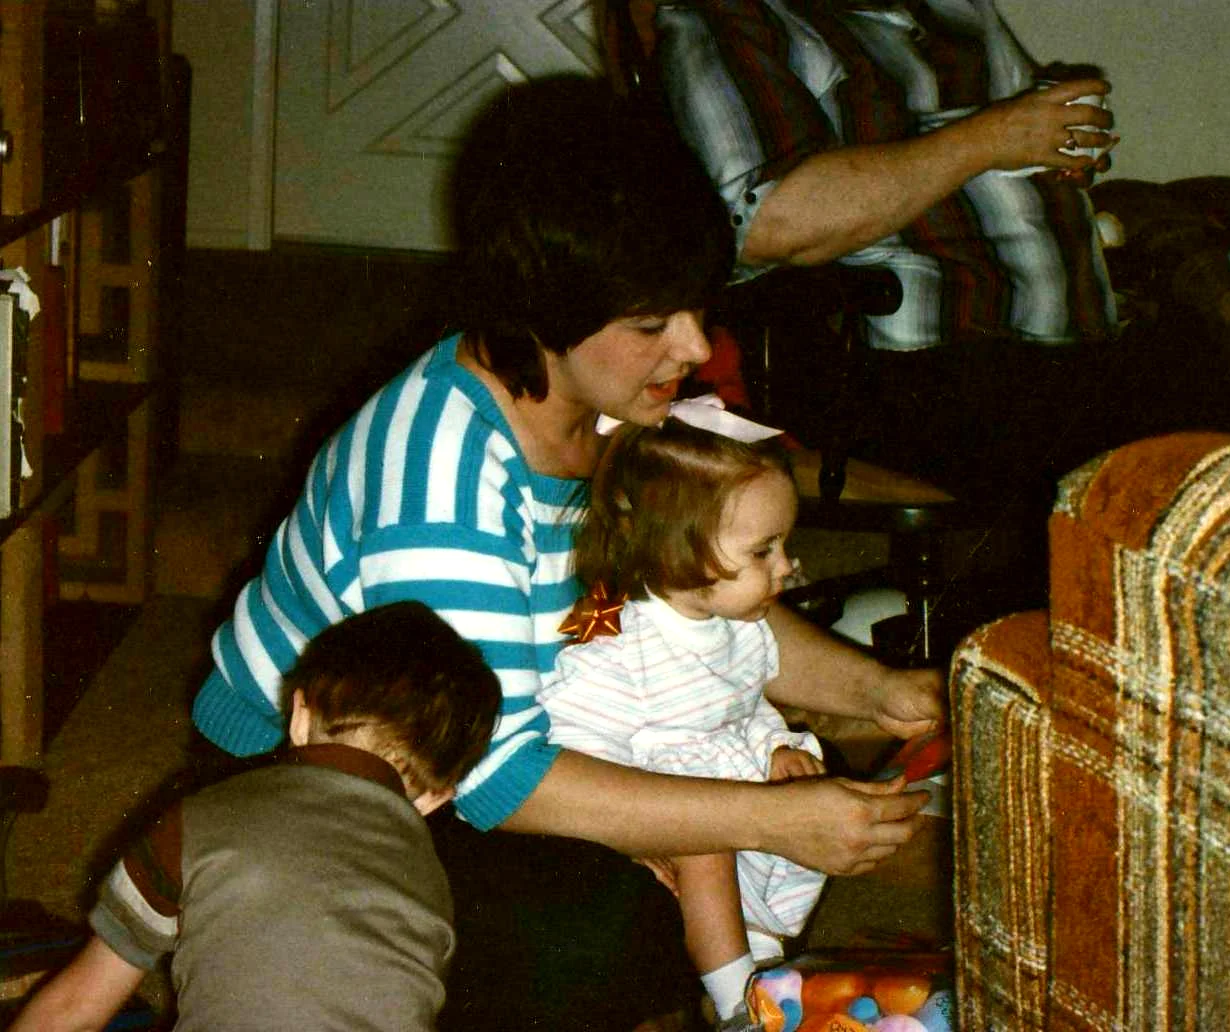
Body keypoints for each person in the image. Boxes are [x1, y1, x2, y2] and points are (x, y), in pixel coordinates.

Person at [187, 75, 942, 1031]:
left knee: (756, 783)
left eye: (694, 308)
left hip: (519, 718)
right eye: (651, 324)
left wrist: (875, 692)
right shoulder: (445, 487)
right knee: (612, 925)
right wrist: (765, 819)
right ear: (543, 315)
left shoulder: (610, 409)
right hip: (326, 774)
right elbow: (496, 776)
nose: (695, 345)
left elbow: (691, 599)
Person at [651, 0, 1120, 497]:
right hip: (911, 369)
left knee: (1173, 385)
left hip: (1077, 349)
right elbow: (766, 224)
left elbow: (1012, 132)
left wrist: (1059, 139)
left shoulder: (958, 9)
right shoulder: (728, 17)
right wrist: (989, 139)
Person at [11, 601, 499, 1032]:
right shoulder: (434, 890)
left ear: (299, 716)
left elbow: (76, 1009)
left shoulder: (200, 817)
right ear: (436, 798)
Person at [540, 408, 833, 1029]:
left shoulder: (742, 626)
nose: (787, 566)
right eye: (763, 550)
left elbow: (747, 702)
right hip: (655, 804)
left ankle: (761, 951)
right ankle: (735, 1000)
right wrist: (630, 837)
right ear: (680, 548)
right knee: (708, 842)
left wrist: (775, 745)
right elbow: (574, 743)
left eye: (782, 545)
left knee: (803, 792)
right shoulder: (619, 643)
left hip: (725, 778)